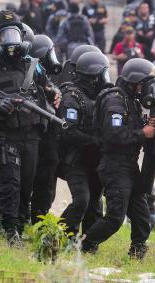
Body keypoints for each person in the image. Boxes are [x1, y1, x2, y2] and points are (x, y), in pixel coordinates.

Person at [0, 11, 61, 245]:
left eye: (14, 34)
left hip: (32, 135)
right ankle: (10, 232)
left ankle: (17, 226)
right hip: (5, 134)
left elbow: (47, 84)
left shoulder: (32, 65)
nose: (11, 40)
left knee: (26, 184)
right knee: (10, 184)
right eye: (5, 35)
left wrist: (54, 93)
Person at [81, 58, 155, 259]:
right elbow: (113, 136)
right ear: (135, 81)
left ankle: (137, 251)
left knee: (142, 215)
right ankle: (83, 245)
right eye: (145, 83)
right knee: (115, 218)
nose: (146, 88)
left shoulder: (130, 100)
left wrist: (147, 126)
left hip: (129, 165)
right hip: (114, 166)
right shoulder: (114, 100)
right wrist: (143, 133)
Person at [58, 51, 110, 236]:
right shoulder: (72, 97)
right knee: (82, 200)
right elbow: (68, 131)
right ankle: (62, 236)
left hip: (96, 160)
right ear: (95, 76)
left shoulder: (103, 97)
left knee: (95, 202)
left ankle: (89, 242)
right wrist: (94, 140)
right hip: (76, 159)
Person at [28, 35, 64, 223]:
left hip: (43, 136)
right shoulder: (27, 74)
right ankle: (35, 217)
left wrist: (55, 92)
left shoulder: (44, 75)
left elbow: (51, 87)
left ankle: (37, 218)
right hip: (35, 135)